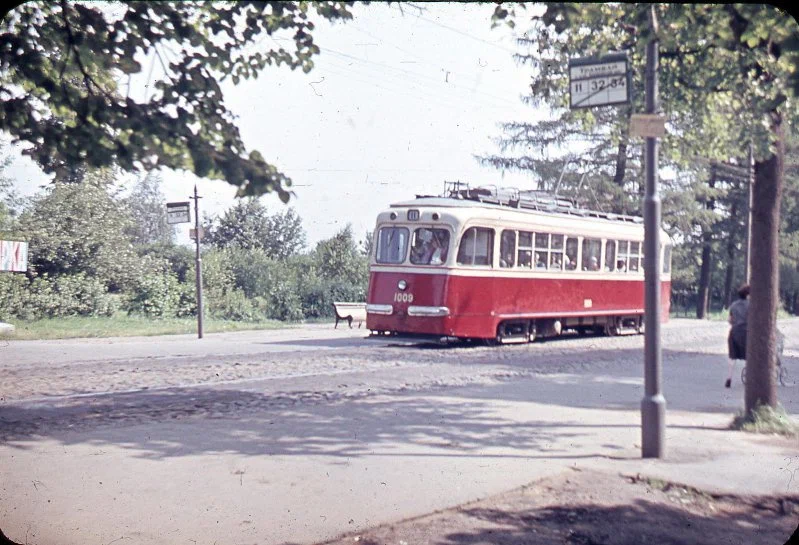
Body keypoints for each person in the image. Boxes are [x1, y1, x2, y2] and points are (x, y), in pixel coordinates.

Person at [725, 283, 750, 388]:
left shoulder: (734, 305)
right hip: (746, 333)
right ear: (748, 295)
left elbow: (730, 320)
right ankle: (749, 378)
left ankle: (729, 378)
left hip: (734, 332)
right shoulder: (751, 305)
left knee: (732, 356)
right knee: (749, 355)